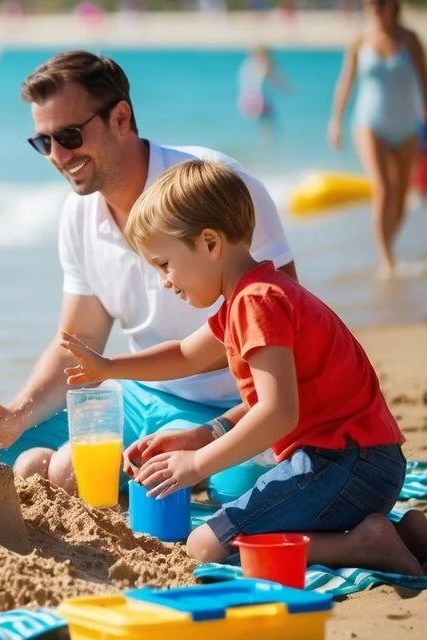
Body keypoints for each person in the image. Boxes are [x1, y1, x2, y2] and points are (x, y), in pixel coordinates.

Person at [61, 159, 427, 573]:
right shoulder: (252, 296)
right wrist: (110, 368)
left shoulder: (257, 302)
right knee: (233, 528)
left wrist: (196, 465)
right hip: (361, 466)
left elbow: (277, 413)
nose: (164, 280)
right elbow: (184, 355)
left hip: (344, 466)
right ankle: (407, 533)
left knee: (203, 545)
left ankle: (367, 544)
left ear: (210, 243)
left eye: (165, 264)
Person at [0, 51, 298, 502]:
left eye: (69, 135)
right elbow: (78, 342)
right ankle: (131, 474)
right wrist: (15, 414)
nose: (58, 156)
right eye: (43, 142)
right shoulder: (77, 214)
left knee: (241, 487)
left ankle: (170, 472)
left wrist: (215, 431)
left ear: (121, 118)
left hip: (229, 406)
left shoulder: (215, 185)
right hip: (137, 397)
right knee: (0, 458)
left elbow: (284, 318)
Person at [328, 0, 427, 277]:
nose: (374, 7)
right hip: (369, 123)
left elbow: (424, 83)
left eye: (380, 3)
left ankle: (389, 249)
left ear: (394, 4)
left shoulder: (411, 40)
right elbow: (345, 82)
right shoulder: (360, 39)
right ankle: (386, 261)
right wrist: (335, 122)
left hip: (406, 126)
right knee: (383, 189)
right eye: (370, 3)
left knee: (402, 196)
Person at [237, 45, 291, 140]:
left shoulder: (247, 64)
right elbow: (276, 79)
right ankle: (269, 146)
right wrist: (287, 88)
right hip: (260, 100)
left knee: (262, 125)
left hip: (247, 99)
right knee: (269, 126)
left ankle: (263, 147)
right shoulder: (263, 65)